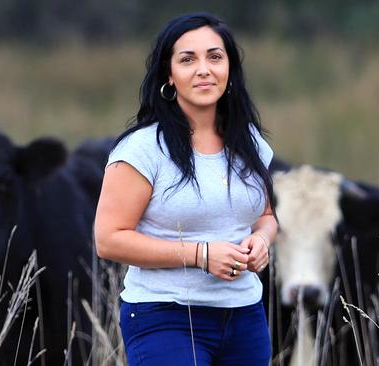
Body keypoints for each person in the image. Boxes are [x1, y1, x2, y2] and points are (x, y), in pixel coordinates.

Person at [94, 12, 277, 365]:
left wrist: (264, 241)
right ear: (169, 74)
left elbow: (266, 216)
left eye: (214, 57)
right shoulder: (142, 149)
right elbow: (108, 239)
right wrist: (201, 255)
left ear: (230, 69)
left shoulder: (250, 141)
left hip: (245, 316)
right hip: (165, 315)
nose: (204, 69)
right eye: (187, 59)